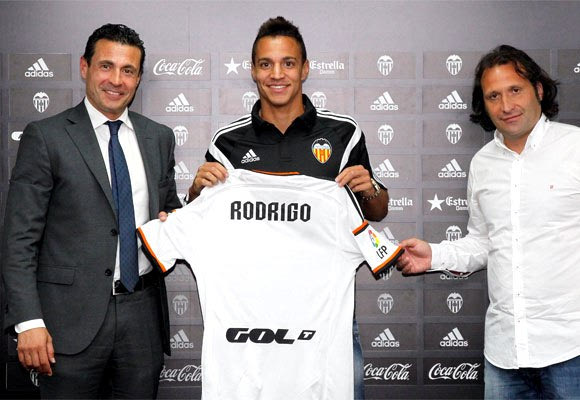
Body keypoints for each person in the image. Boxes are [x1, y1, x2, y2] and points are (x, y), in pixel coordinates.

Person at [187, 16, 389, 399]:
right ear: (253, 71)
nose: (277, 74)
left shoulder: (343, 133)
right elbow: (198, 220)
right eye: (266, 64)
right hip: (250, 321)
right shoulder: (227, 143)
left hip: (325, 319)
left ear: (305, 69)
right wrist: (197, 190)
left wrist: (371, 188)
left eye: (288, 63)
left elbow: (376, 211)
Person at [1, 23, 181, 398]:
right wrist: (28, 321)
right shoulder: (47, 136)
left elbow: (169, 214)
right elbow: (19, 240)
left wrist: (187, 209)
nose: (116, 80)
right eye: (106, 66)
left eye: (128, 70)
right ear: (85, 67)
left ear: (138, 78)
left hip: (142, 318)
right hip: (66, 323)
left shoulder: (158, 137)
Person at [396, 45, 580, 399]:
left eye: (515, 90)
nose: (506, 105)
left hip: (571, 349)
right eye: (494, 96)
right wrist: (434, 256)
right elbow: (482, 242)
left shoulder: (575, 148)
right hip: (504, 355)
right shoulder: (482, 163)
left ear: (539, 90)